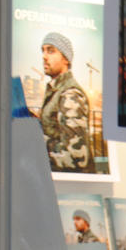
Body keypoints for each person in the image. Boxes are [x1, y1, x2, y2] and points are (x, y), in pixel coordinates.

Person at [37, 32, 95, 173]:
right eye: (43, 50)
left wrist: (34, 142)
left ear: (66, 60)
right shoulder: (56, 90)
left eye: (51, 51)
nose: (44, 56)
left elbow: (75, 157)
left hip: (71, 183)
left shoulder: (71, 94)